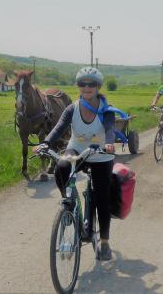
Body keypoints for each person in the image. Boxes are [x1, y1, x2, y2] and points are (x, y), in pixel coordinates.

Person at [36, 67, 115, 261]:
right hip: (77, 150)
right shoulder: (72, 108)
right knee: (62, 166)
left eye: (91, 84)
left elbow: (110, 129)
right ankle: (69, 204)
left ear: (98, 86)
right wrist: (45, 143)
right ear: (78, 86)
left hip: (101, 155)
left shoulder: (106, 109)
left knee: (102, 200)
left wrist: (110, 143)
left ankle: (104, 242)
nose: (87, 87)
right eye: (82, 83)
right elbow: (59, 127)